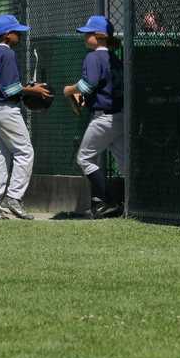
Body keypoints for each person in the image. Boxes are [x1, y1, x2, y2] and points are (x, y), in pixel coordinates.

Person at [0, 14, 51, 221]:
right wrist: (33, 90)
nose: (19, 35)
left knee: (0, 155)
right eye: (16, 32)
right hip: (5, 109)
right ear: (7, 35)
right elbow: (11, 89)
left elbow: (1, 85)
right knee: (25, 152)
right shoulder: (8, 54)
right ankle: (14, 197)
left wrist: (25, 88)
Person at [63, 16, 124, 219]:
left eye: (88, 33)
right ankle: (134, 203)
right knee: (125, 164)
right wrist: (84, 100)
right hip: (121, 116)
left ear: (99, 36)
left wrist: (68, 90)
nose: (85, 37)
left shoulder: (93, 57)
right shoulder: (115, 58)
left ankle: (110, 201)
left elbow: (88, 84)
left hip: (103, 118)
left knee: (85, 158)